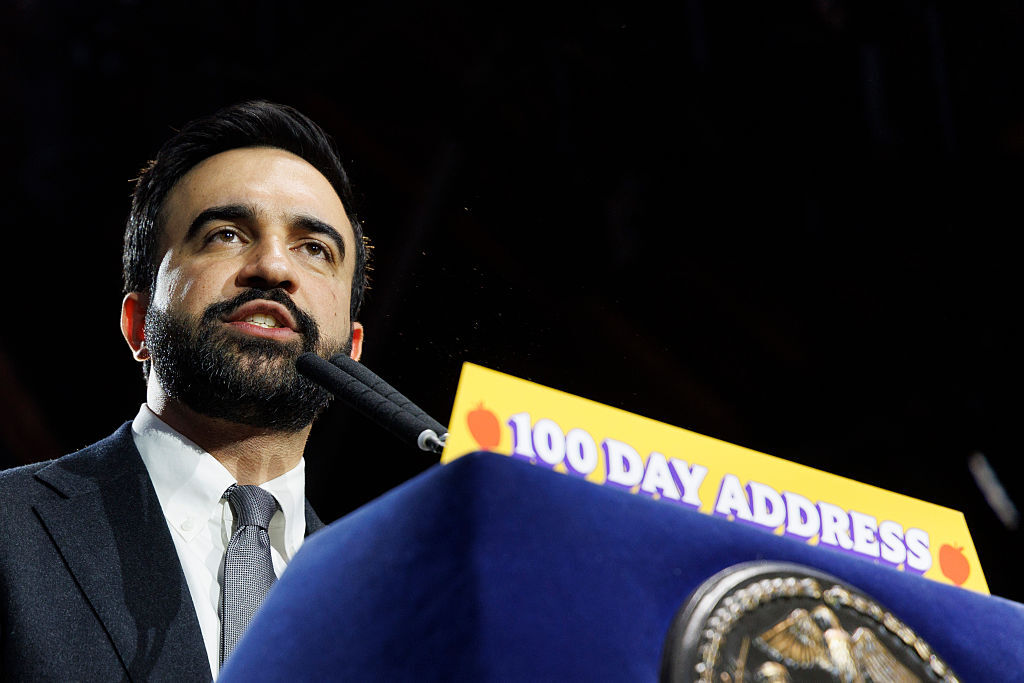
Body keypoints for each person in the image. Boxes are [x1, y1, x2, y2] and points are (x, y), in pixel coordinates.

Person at [0, 100, 369, 680]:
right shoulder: (8, 530)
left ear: (352, 349)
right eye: (225, 234)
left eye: (314, 248)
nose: (273, 266)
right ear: (138, 324)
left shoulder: (393, 608)